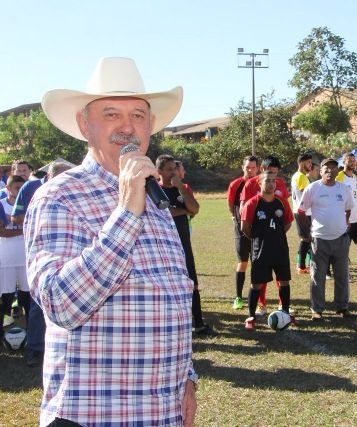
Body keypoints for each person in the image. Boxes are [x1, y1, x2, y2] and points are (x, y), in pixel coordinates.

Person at [25, 57, 197, 426]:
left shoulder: (157, 200)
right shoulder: (59, 197)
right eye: (110, 114)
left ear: (150, 126)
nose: (127, 127)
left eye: (137, 115)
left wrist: (188, 378)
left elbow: (172, 296)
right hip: (92, 415)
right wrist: (126, 212)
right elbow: (61, 304)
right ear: (84, 125)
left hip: (161, 412)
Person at [12, 161, 73, 368]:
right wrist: (43, 217)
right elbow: (17, 216)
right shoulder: (31, 187)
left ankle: (58, 348)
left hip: (70, 251)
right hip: (41, 251)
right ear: (49, 177)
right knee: (40, 302)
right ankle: (35, 349)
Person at [157, 154, 215, 337]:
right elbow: (163, 213)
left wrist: (180, 188)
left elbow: (195, 209)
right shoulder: (155, 190)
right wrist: (183, 211)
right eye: (169, 169)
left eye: (175, 168)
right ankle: (169, 326)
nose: (173, 172)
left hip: (183, 246)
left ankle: (198, 323)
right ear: (159, 171)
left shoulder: (182, 189)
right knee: (166, 287)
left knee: (192, 283)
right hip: (164, 248)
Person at [298, 158, 353, 320]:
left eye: (333, 168)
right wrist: (308, 231)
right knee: (318, 276)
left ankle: (342, 307)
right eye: (326, 169)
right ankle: (317, 309)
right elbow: (301, 211)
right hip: (319, 240)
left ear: (338, 171)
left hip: (341, 239)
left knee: (342, 275)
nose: (329, 171)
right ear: (320, 171)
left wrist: (344, 223)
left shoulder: (344, 189)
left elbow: (348, 209)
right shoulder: (312, 188)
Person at [241, 172, 294, 330]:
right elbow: (245, 227)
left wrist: (275, 235)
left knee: (284, 280)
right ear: (259, 183)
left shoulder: (282, 202)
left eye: (273, 181)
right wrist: (259, 238)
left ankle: (284, 312)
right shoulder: (252, 203)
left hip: (280, 249)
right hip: (260, 250)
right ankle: (251, 317)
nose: (271, 184)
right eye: (267, 181)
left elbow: (287, 223)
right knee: (256, 284)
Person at [227, 155, 259, 309]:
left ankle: (257, 297)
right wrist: (235, 218)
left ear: (258, 168)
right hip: (241, 228)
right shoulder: (236, 184)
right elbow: (231, 204)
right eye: (247, 167)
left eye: (253, 167)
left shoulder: (261, 183)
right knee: (243, 262)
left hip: (259, 229)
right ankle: (238, 297)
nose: (250, 170)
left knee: (258, 263)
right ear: (243, 167)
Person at [0, 175, 27, 329]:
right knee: (6, 298)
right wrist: (25, 229)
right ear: (8, 188)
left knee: (27, 298)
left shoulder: (29, 204)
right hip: (6, 260)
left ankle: (31, 334)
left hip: (25, 259)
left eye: (22, 188)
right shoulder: (1, 204)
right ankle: (3, 331)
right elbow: (2, 232)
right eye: (17, 187)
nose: (20, 191)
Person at [336, 152, 357, 271]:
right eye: (350, 161)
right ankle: (344, 272)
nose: (353, 163)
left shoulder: (355, 177)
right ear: (344, 162)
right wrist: (343, 217)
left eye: (354, 160)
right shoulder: (339, 177)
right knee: (344, 247)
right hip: (346, 219)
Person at [291, 153, 313, 274]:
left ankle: (305, 264)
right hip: (304, 212)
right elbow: (306, 195)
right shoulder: (301, 177)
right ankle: (301, 266)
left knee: (306, 239)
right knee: (306, 239)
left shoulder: (297, 176)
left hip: (301, 211)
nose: (310, 164)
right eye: (308, 162)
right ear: (301, 163)